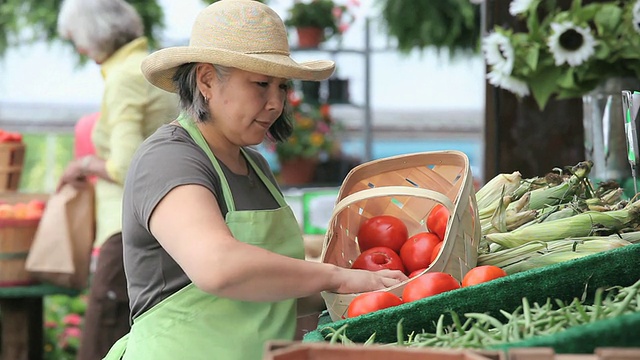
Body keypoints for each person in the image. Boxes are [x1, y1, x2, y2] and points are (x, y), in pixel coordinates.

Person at [102, 1, 408, 359]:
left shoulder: (256, 166)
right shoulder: (169, 158)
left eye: (282, 87)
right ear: (206, 80)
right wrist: (335, 277)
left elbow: (275, 289)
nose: (276, 103)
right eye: (261, 84)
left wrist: (371, 285)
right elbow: (218, 266)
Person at [56, 0, 179, 359]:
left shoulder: (125, 78)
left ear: (95, 36)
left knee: (101, 339)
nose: (79, 48)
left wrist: (83, 165)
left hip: (126, 231)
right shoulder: (149, 69)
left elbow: (127, 166)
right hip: (162, 225)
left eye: (78, 39)